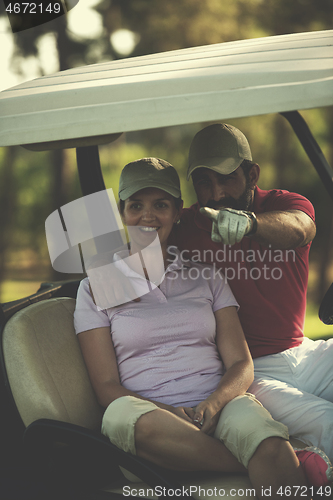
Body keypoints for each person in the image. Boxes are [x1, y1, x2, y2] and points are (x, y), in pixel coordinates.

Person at [74, 157, 329, 497]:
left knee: (265, 438)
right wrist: (172, 414)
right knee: (121, 416)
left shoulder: (206, 275)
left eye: (161, 205)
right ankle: (267, 459)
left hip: (219, 406)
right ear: (122, 212)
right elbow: (106, 385)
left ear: (179, 211)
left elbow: (241, 364)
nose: (148, 216)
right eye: (136, 205)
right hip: (154, 420)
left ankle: (266, 456)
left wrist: (211, 405)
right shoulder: (96, 286)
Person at [171, 123, 333, 471]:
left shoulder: (284, 205)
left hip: (303, 350)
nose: (215, 194)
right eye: (203, 182)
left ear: (252, 174)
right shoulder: (183, 228)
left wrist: (250, 224)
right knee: (328, 424)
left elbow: (300, 227)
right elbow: (136, 231)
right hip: (249, 370)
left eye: (227, 178)